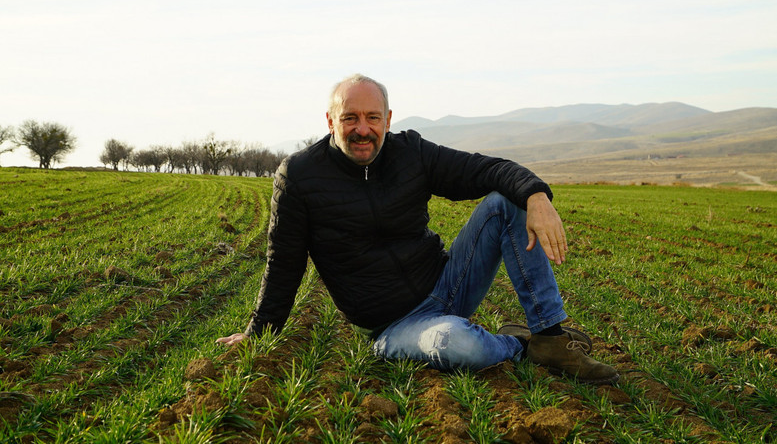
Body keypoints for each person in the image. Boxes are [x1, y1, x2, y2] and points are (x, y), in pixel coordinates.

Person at [217, 74, 619, 385]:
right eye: (350, 118)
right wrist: (258, 332)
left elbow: (484, 169)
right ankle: (519, 344)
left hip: (448, 284)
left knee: (507, 201)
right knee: (455, 343)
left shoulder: (410, 152)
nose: (362, 129)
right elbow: (284, 262)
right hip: (394, 326)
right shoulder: (300, 176)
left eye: (372, 118)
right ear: (330, 121)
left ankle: (550, 336)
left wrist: (536, 195)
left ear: (388, 120)